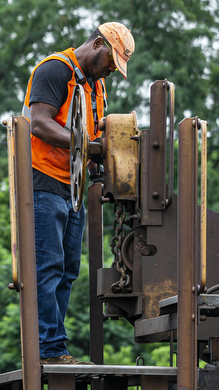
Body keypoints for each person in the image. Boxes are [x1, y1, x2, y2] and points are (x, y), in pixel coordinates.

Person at [21, 22, 135, 365]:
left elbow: (93, 138)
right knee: (48, 266)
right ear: (97, 44)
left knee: (69, 269)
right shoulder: (55, 70)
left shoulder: (96, 87)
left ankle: (54, 347)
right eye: (110, 61)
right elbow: (40, 124)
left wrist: (101, 163)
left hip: (73, 187)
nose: (112, 70)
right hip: (43, 183)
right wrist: (91, 147)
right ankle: (49, 350)